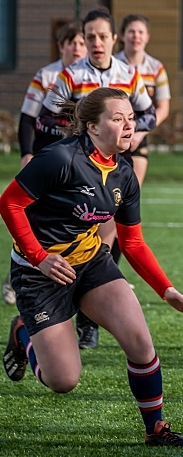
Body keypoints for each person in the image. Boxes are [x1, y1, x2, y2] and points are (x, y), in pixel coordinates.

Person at [0, 87, 183, 447]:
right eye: (118, 118)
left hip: (91, 264)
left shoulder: (124, 174)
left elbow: (133, 242)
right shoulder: (61, 158)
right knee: (62, 380)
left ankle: (154, 428)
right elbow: (9, 204)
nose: (129, 126)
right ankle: (23, 333)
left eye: (131, 118)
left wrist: (166, 290)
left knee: (140, 342)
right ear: (92, 127)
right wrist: (40, 258)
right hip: (39, 273)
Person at [36, 9, 157, 349]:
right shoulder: (70, 75)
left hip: (115, 164)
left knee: (108, 241)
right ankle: (57, 308)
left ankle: (89, 320)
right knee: (76, 240)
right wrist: (76, 131)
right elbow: (45, 120)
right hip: (75, 166)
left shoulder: (129, 74)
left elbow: (148, 113)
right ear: (84, 39)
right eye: (90, 37)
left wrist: (137, 132)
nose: (97, 43)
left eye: (103, 36)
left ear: (113, 39)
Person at [2, 22, 87, 307]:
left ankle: (81, 274)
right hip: (46, 156)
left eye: (81, 43)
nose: (77, 48)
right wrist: (27, 152)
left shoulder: (91, 76)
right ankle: (17, 272)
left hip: (76, 161)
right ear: (61, 46)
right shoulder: (47, 75)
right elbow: (28, 117)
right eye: (71, 42)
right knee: (35, 218)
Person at [115, 13, 171, 186]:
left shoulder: (156, 68)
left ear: (147, 37)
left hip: (139, 135)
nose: (136, 36)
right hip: (113, 134)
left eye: (140, 32)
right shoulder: (112, 65)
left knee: (133, 191)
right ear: (123, 35)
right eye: (131, 31)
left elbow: (163, 108)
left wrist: (141, 132)